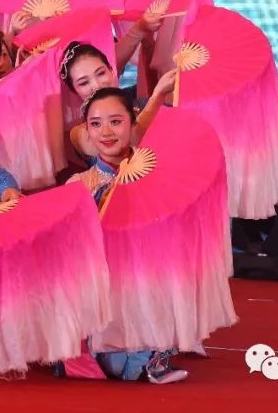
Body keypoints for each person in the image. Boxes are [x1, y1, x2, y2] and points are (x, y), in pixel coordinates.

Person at [67, 87, 188, 385]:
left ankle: (153, 354)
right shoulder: (78, 184)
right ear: (87, 130)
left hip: (146, 277)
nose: (106, 132)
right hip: (100, 285)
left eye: (115, 122)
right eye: (96, 124)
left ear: (133, 122)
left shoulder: (157, 176)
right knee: (115, 364)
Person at [59, 41, 176, 160]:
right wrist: (158, 96)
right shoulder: (80, 133)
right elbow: (130, 140)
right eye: (84, 83)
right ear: (75, 91)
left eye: (101, 73)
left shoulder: (139, 102)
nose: (97, 85)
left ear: (111, 70)